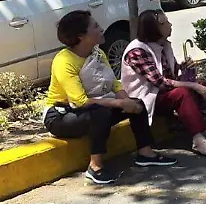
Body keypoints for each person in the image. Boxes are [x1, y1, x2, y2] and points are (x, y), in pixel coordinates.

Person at [43, 11, 176, 185]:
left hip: (94, 107)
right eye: (96, 27)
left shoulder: (97, 53)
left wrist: (127, 101)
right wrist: (119, 102)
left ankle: (145, 153)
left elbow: (115, 84)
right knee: (101, 113)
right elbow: (80, 101)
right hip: (61, 116)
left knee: (137, 102)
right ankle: (95, 167)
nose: (101, 29)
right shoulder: (64, 61)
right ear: (81, 36)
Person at [121, 10, 206, 157]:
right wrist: (192, 85)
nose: (170, 24)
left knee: (205, 85)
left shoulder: (163, 45)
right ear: (156, 28)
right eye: (165, 22)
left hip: (162, 94)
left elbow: (169, 72)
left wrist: (183, 68)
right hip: (146, 99)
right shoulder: (137, 51)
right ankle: (198, 139)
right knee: (183, 93)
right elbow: (160, 82)